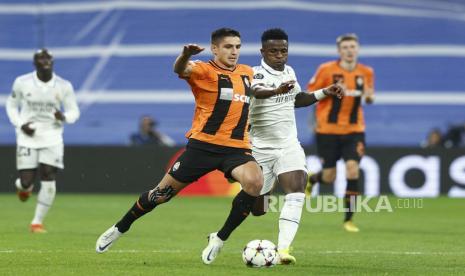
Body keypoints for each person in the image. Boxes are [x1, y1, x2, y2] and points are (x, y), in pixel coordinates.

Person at [96, 28, 263, 265]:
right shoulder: (204, 70)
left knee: (256, 182)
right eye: (228, 46)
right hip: (202, 147)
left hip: (237, 148)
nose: (234, 51)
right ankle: (120, 228)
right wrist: (185, 55)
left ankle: (220, 237)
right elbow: (180, 69)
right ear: (215, 48)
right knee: (159, 196)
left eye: (237, 46)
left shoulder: (248, 72)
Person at [248, 28, 343, 264]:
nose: (279, 55)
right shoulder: (254, 73)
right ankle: (263, 191)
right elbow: (257, 92)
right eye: (273, 51)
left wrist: (325, 92)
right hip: (260, 147)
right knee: (258, 209)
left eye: (283, 51)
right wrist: (276, 90)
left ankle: (283, 250)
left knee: (297, 190)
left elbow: (297, 99)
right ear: (263, 51)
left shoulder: (289, 71)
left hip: (288, 144)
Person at [305, 33, 375, 233]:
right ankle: (313, 179)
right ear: (339, 51)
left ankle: (348, 220)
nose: (349, 50)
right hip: (327, 130)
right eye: (345, 47)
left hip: (355, 130)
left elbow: (368, 98)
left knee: (352, 170)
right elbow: (310, 94)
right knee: (329, 177)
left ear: (358, 49)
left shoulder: (366, 72)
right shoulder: (326, 70)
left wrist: (370, 98)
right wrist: (330, 90)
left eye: (352, 47)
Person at [5, 48, 80, 233]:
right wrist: (20, 124)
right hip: (28, 135)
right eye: (41, 58)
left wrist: (63, 116)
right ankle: (23, 188)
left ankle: (36, 222)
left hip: (52, 136)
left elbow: (74, 111)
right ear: (35, 63)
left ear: (52, 62)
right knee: (26, 181)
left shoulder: (64, 85)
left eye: (48, 58)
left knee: (48, 175)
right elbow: (11, 105)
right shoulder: (22, 82)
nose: (45, 61)